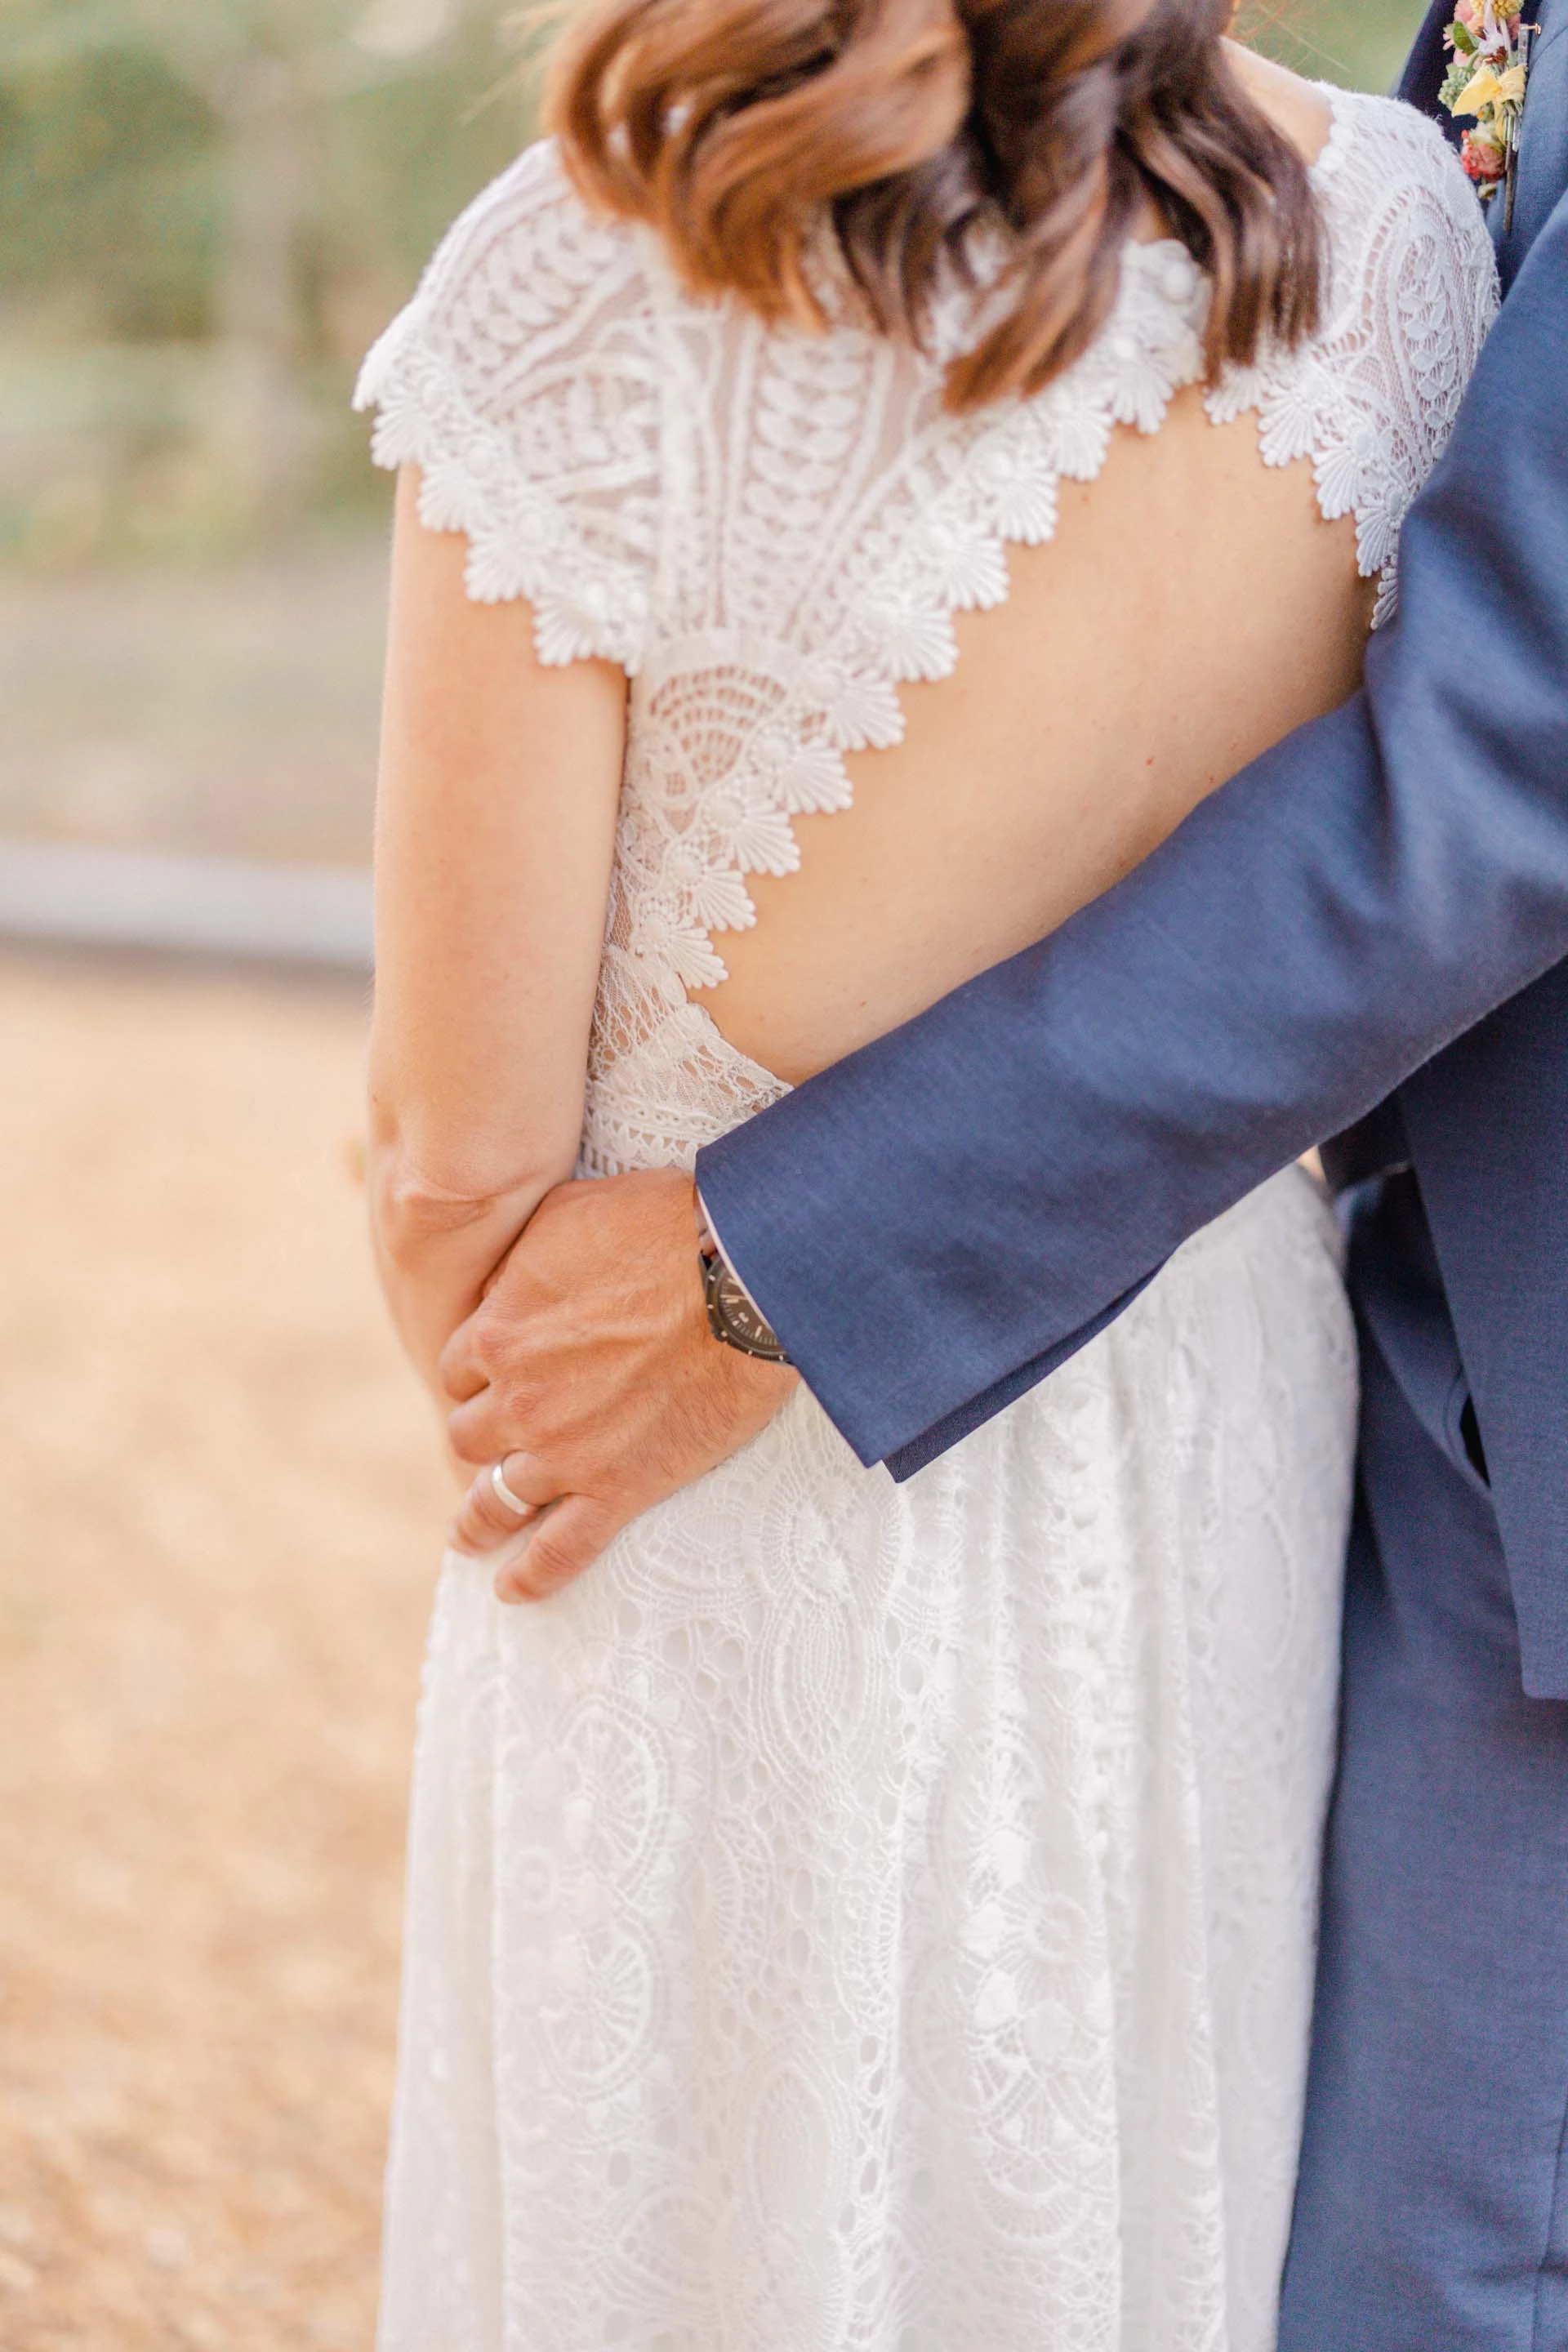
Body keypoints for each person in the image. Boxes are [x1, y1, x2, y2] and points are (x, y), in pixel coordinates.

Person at [428, 2, 1568, 2345]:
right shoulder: (1380, 231)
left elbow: (451, 1166)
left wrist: (674, 1302)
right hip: (1229, 1462)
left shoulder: (599, 257)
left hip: (714, 1472)